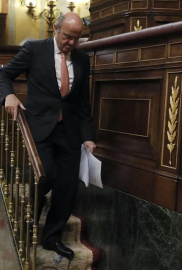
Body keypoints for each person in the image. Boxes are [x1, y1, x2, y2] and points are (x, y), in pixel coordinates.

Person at [0, 12, 96, 260]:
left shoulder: (83, 59)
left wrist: (88, 136)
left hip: (70, 132)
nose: (71, 43)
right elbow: (3, 74)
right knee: (44, 178)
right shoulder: (34, 49)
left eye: (77, 38)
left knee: (66, 187)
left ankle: (52, 237)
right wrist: (8, 96)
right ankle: (25, 227)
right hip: (40, 129)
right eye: (67, 36)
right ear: (55, 28)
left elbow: (83, 103)